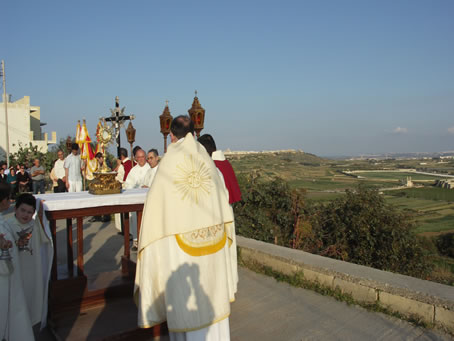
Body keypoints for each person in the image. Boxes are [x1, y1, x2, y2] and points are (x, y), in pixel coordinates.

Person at [135, 115, 235, 340]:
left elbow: (155, 206)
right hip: (213, 240)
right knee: (213, 296)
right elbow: (222, 198)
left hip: (181, 245)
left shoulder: (169, 161)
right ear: (192, 133)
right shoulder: (206, 160)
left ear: (171, 135)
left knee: (185, 302)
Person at [1, 190, 52, 340]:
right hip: (16, 271)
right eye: (22, 210)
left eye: (30, 212)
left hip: (33, 271)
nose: (25, 215)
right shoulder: (7, 225)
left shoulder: (36, 226)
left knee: (32, 299)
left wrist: (41, 214)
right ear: (15, 209)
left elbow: (46, 238)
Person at [198, 134, 242, 295]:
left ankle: (221, 288)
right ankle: (230, 286)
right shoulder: (225, 163)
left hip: (216, 214)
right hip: (227, 212)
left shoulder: (212, 166)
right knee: (228, 253)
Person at [123, 149, 150, 249]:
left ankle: (147, 241)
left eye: (143, 157)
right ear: (136, 159)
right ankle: (136, 241)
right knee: (135, 218)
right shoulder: (133, 170)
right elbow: (128, 184)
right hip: (136, 200)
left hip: (148, 199)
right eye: (139, 157)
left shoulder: (150, 168)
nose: (141, 159)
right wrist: (136, 188)